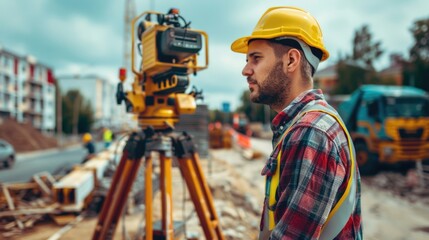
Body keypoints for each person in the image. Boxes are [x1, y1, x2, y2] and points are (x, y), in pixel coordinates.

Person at [231, 6, 362, 240]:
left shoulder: (311, 132)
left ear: (291, 60)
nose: (245, 70)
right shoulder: (307, 123)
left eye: (256, 58)